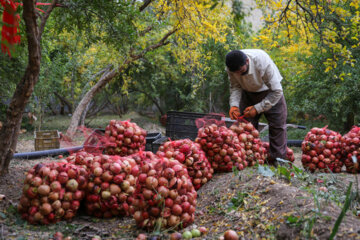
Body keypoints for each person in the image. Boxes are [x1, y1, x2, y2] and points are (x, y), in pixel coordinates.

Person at [226, 49, 287, 162]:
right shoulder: (230, 68)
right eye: (236, 72)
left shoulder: (261, 61)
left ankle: (279, 161)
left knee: (277, 126)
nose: (238, 74)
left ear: (247, 61)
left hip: (271, 92)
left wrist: (258, 108)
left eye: (241, 70)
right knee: (245, 127)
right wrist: (234, 105)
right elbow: (235, 87)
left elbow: (277, 91)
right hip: (248, 93)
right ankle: (249, 160)